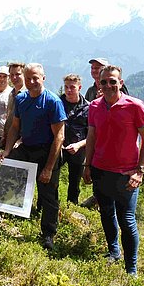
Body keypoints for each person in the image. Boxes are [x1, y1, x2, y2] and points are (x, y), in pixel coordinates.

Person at [83, 65, 144, 277]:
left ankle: (131, 269)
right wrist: (87, 165)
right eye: (104, 82)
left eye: (113, 81)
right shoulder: (94, 106)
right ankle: (113, 250)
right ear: (99, 84)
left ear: (120, 83)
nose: (108, 85)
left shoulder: (135, 106)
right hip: (101, 170)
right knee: (106, 212)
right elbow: (92, 137)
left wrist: (139, 171)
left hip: (126, 175)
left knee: (127, 220)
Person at [0, 63, 66, 249]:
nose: (31, 81)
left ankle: (48, 235)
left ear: (43, 78)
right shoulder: (21, 99)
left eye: (35, 78)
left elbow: (59, 137)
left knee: (48, 195)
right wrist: (7, 150)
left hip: (48, 152)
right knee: (6, 171)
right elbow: (14, 127)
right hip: (27, 148)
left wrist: (48, 168)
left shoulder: (52, 101)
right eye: (28, 78)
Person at [81, 57, 129, 208]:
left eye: (98, 67)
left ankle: (111, 202)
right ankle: (99, 199)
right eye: (93, 68)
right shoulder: (90, 91)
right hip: (96, 137)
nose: (95, 70)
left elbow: (125, 107)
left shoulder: (117, 87)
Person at [60, 74, 89, 204]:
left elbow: (92, 135)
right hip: (59, 147)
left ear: (79, 87)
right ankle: (47, 206)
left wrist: (78, 145)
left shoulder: (88, 107)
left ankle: (70, 209)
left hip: (78, 150)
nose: (68, 90)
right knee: (50, 177)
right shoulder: (57, 103)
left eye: (72, 87)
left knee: (74, 183)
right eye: (66, 87)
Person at [0, 62, 26, 150]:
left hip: (21, 143)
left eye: (18, 74)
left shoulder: (28, 95)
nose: (14, 77)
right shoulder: (11, 94)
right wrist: (4, 135)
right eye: (11, 75)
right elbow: (9, 116)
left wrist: (21, 140)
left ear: (24, 74)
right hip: (9, 140)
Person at [0, 66, 12, 156]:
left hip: (6, 135)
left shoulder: (12, 93)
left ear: (9, 78)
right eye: (0, 76)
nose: (2, 79)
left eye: (4, 76)